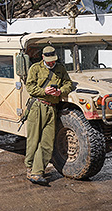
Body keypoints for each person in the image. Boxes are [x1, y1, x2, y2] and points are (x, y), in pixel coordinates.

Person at [24, 45, 74, 185]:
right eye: (49, 60)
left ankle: (37, 172)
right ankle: (29, 168)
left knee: (47, 142)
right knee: (33, 140)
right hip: (37, 106)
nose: (52, 63)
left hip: (52, 108)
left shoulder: (60, 68)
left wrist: (60, 92)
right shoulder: (35, 68)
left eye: (53, 60)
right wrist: (44, 91)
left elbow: (68, 84)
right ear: (43, 58)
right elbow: (30, 87)